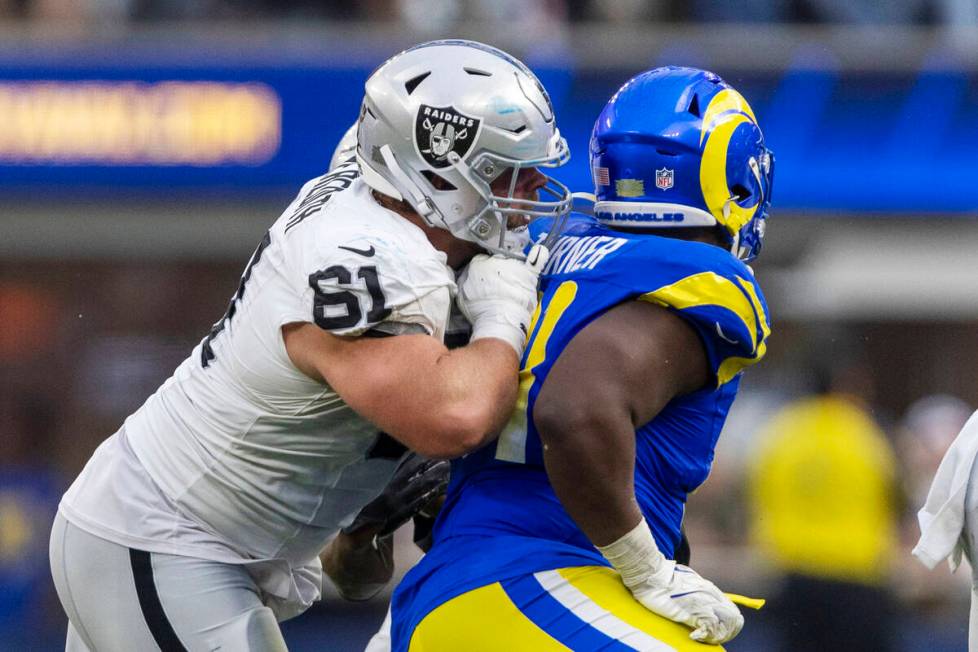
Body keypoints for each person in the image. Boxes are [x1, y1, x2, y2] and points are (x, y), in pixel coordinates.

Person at [48, 39, 573, 652]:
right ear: (438, 174)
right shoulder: (361, 260)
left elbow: (352, 576)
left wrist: (364, 525)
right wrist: (501, 311)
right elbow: (455, 418)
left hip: (190, 541)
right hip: (166, 538)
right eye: (506, 171)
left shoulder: (386, 192)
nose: (534, 189)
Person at [386, 66, 774, 651]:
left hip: (458, 589)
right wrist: (649, 567)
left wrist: (360, 532)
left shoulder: (549, 253)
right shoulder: (709, 279)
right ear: (731, 178)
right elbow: (574, 411)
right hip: (532, 585)